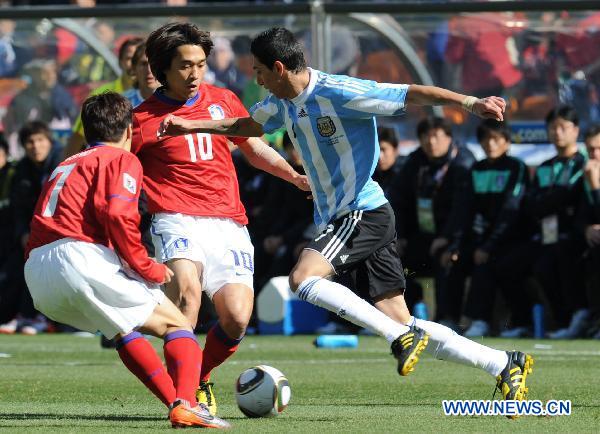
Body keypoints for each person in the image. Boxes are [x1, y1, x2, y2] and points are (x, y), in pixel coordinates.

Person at [158, 26, 534, 403]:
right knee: (401, 319)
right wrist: (192, 124)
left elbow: (410, 94)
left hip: (360, 211)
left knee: (302, 279)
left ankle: (398, 339)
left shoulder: (338, 91)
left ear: (278, 67)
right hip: (352, 215)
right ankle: (502, 363)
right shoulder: (281, 102)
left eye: (258, 70)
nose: (255, 79)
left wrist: (470, 103)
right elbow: (246, 126)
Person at [23, 92, 230, 429]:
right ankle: (189, 402)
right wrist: (145, 265)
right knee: (177, 324)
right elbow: (117, 213)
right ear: (130, 129)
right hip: (79, 257)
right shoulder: (121, 159)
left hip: (38, 272)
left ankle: (179, 406)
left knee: (124, 328)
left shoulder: (67, 162)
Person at [133, 23, 309, 416]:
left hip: (228, 222)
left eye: (200, 64)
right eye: (184, 66)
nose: (195, 73)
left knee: (237, 318)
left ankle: (199, 375)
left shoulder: (224, 100)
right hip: (175, 219)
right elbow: (118, 168)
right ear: (163, 69)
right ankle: (185, 401)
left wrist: (293, 176)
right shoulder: (141, 119)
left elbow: (255, 148)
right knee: (187, 295)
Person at [388, 116, 475, 328]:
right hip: (423, 235)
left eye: (436, 136)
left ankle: (447, 320)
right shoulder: (415, 161)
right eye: (425, 137)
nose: (431, 142)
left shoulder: (463, 163)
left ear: (449, 138)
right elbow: (398, 201)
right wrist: (399, 236)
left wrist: (448, 239)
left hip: (457, 238)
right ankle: (400, 319)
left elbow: (464, 209)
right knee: (391, 261)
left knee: (447, 260)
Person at [456, 120, 532, 337]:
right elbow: (465, 210)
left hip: (514, 239)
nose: (490, 144)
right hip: (484, 242)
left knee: (498, 265)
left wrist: (488, 246)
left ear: (507, 142)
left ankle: (516, 323)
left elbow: (511, 211)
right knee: (451, 261)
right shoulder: (476, 169)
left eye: (496, 139)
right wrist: (455, 244)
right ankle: (448, 319)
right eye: (486, 139)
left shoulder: (516, 167)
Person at [526, 105, 589, 338]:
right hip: (546, 234)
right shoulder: (545, 167)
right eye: (553, 127)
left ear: (576, 130)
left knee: (565, 256)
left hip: (575, 232)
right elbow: (531, 204)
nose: (557, 132)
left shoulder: (582, 163)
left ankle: (580, 314)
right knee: (537, 265)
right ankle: (562, 322)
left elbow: (571, 194)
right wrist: (553, 200)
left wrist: (548, 201)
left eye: (563, 127)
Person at [63, 37, 143, 158]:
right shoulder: (101, 94)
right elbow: (79, 136)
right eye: (129, 58)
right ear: (120, 61)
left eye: (139, 60)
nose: (133, 64)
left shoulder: (156, 94)